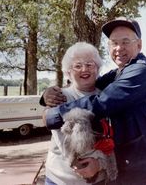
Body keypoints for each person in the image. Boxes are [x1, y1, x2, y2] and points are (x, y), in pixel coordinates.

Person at [42, 17, 146, 185]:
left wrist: (52, 115)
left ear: (139, 45)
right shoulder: (119, 73)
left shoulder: (141, 71)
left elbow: (101, 102)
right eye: (114, 43)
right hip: (126, 170)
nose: (119, 48)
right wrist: (48, 94)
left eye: (125, 42)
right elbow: (87, 83)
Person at [44, 42, 116, 185]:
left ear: (97, 68)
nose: (84, 69)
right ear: (68, 72)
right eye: (78, 66)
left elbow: (111, 135)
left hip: (99, 179)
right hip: (62, 179)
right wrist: (89, 165)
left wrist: (100, 164)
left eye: (90, 64)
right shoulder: (59, 97)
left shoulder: (106, 96)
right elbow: (65, 144)